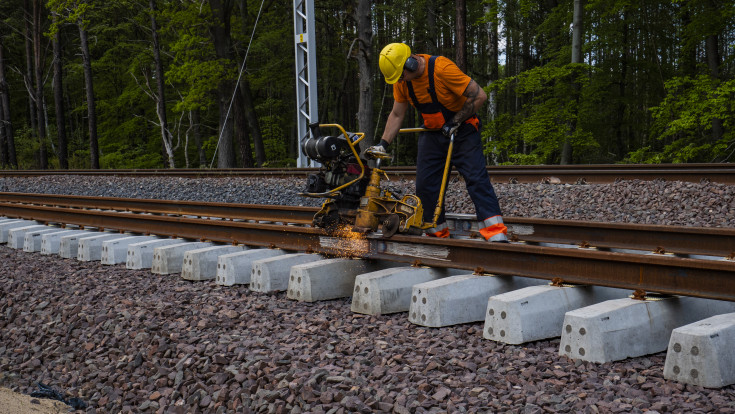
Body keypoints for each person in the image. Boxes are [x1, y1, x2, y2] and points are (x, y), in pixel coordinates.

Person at [369, 42, 508, 242]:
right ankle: (437, 234)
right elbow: (397, 114)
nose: (399, 81)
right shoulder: (401, 82)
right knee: (425, 186)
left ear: (410, 63)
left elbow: (479, 96)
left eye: (401, 75)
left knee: (476, 179)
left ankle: (496, 232)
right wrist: (383, 143)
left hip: (463, 129)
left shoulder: (441, 68)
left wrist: (455, 121)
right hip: (433, 132)